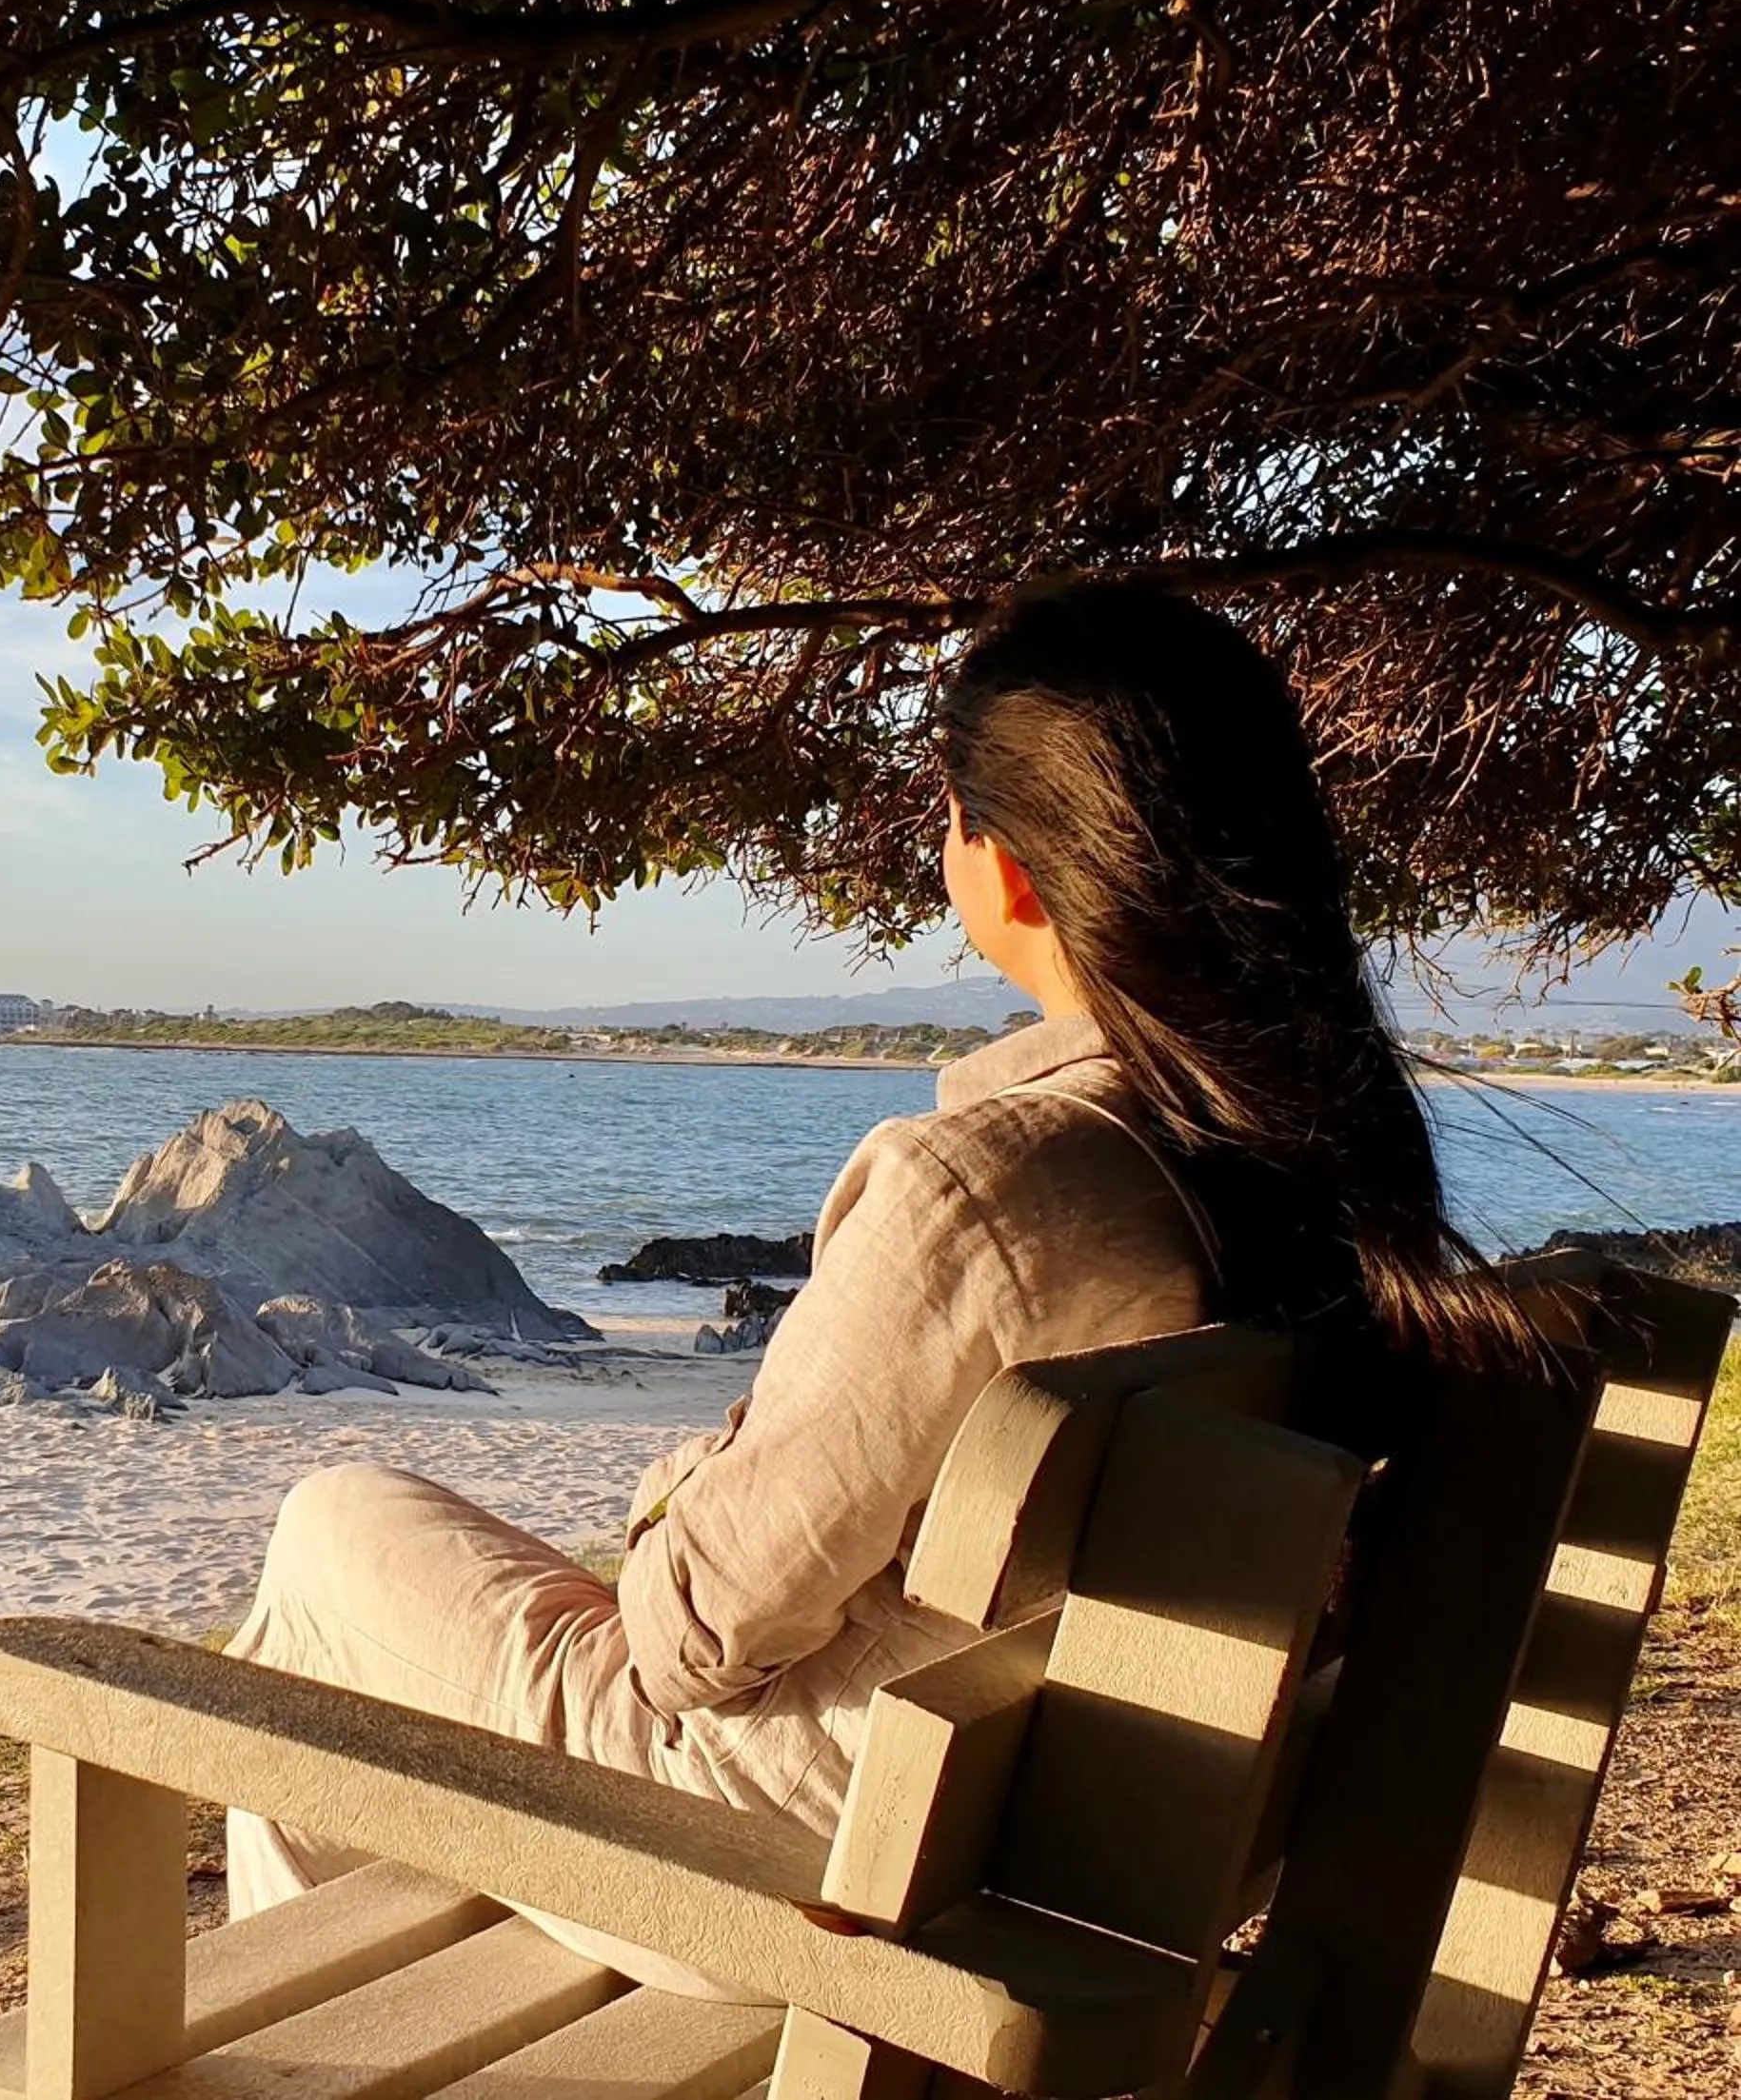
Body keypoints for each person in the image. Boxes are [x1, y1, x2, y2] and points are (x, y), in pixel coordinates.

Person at [220, 580, 1532, 1997]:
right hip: (1059, 1837)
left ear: (1010, 863)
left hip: (810, 1856)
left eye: (952, 815)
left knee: (330, 1529)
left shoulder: (994, 1184)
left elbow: (690, 1641)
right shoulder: (1314, 1158)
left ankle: (281, 2041)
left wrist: (680, 1487)